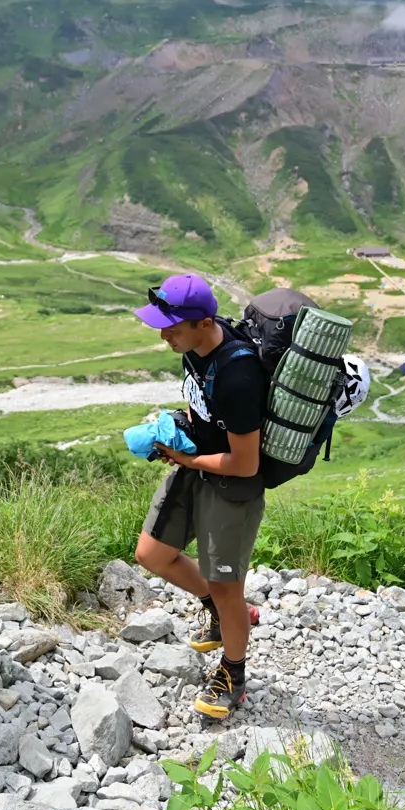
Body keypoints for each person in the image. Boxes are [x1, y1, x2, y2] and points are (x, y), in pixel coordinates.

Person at [131, 273, 267, 720]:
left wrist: (190, 461)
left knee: (229, 586)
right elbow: (196, 401)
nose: (163, 335)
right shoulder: (192, 348)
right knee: (152, 553)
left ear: (204, 323)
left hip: (232, 485)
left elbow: (245, 463)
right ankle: (221, 610)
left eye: (172, 327)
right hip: (198, 464)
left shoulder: (239, 376)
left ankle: (233, 674)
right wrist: (181, 434)